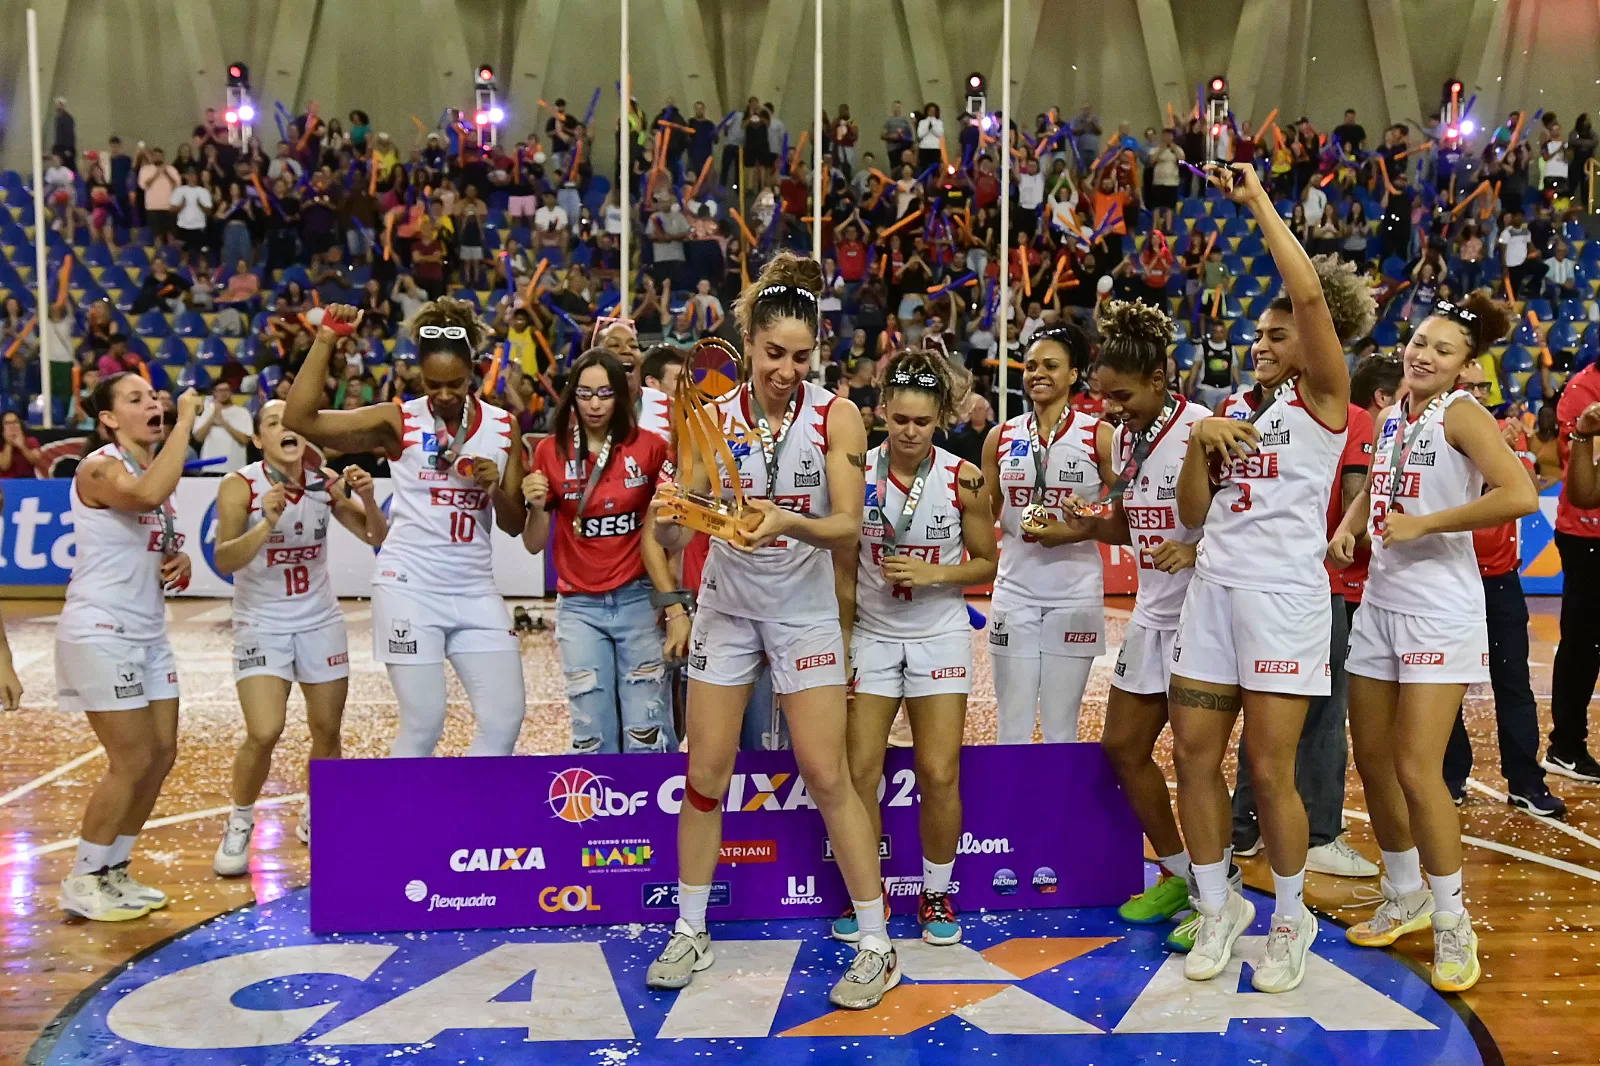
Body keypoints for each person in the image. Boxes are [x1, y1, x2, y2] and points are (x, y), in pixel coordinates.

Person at [644, 253, 895, 1010]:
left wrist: (787, 520)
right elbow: (687, 506)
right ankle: (691, 927)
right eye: (774, 353)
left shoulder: (836, 415)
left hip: (804, 613)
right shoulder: (711, 419)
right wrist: (674, 510)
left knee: (827, 776)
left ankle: (878, 943)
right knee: (704, 777)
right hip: (726, 605)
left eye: (801, 356)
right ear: (748, 342)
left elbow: (848, 524)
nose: (787, 369)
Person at [1169, 163, 1374, 995]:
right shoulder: (1239, 409)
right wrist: (1199, 440)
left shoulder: (1327, 397)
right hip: (1213, 592)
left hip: (1285, 600)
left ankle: (1290, 916)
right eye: (1258, 332)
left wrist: (1256, 204)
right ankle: (1218, 905)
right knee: (1190, 752)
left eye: (1275, 333)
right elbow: (1191, 516)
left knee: (1268, 769)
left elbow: (1314, 301)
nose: (1261, 342)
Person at [1329, 294, 1536, 994]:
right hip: (1383, 605)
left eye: (1441, 351)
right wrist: (1353, 523)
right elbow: (1382, 490)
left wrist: (1429, 525)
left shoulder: (1463, 415)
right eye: (1420, 341)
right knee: (1374, 762)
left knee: (1419, 770)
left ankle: (1454, 922)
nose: (1423, 354)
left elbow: (1520, 494)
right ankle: (1406, 892)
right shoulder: (1394, 416)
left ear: (1463, 366)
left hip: (1439, 612)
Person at [283, 301, 530, 757]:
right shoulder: (398, 420)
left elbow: (516, 526)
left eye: (455, 384)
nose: (445, 395)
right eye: (433, 385)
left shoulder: (503, 427)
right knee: (424, 721)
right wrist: (325, 340)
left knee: (504, 719)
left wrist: (495, 489)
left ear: (474, 373)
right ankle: (403, 826)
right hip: (409, 588)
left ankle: (459, 821)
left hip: (475, 589)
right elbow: (299, 421)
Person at [1056, 302, 1214, 934]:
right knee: (1122, 747)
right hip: (1152, 613)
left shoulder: (1203, 427)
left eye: (1120, 395)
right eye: (1102, 397)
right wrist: (1084, 521)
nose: (1110, 409)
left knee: (1194, 764)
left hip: (1203, 617)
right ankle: (1180, 875)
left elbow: (1239, 520)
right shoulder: (1127, 436)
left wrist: (1198, 548)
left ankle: (1213, 892)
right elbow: (1133, 519)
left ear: (1157, 379)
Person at [838, 348, 997, 947]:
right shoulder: (857, 470)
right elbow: (845, 563)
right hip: (875, 634)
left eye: (922, 422)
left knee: (938, 772)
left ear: (941, 421)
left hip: (940, 633)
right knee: (860, 772)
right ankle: (866, 896)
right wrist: (843, 637)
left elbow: (988, 560)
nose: (909, 432)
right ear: (882, 412)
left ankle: (936, 893)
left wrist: (933, 575)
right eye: (899, 419)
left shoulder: (965, 477)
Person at [211, 401, 388, 875]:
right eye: (273, 423)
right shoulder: (239, 486)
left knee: (327, 730)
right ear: (259, 440)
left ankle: (318, 811)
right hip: (261, 622)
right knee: (264, 731)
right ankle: (240, 820)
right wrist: (266, 523)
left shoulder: (323, 482)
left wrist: (367, 498)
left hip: (319, 620)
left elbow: (377, 536)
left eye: (292, 421)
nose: (286, 428)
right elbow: (225, 561)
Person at [56, 376, 202, 920]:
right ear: (109, 419)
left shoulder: (147, 469)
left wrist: (178, 560)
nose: (154, 403)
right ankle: (82, 877)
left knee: (162, 754)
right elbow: (143, 496)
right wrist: (186, 421)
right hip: (101, 628)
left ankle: (114, 869)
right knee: (132, 757)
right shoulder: (99, 466)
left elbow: (154, 527)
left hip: (147, 631)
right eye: (135, 399)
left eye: (154, 396)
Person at [522, 348, 685, 753]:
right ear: (572, 396)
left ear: (622, 396)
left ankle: (649, 816)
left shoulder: (649, 448)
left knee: (647, 733)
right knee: (591, 736)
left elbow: (669, 538)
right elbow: (533, 542)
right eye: (585, 393)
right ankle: (600, 815)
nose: (594, 404)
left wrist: (674, 605)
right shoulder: (549, 451)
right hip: (579, 608)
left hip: (638, 601)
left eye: (606, 393)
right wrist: (536, 507)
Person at [981, 323, 1116, 744]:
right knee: (1012, 727)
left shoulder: (1099, 436)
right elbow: (984, 513)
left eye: (1051, 366)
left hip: (1073, 595)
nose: (1037, 373)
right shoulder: (1000, 437)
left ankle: (1059, 812)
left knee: (1061, 728)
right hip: (1014, 593)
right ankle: (1010, 812)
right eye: (1032, 365)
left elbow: (1125, 506)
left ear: (1074, 374)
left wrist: (1080, 524)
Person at [1441, 361, 1566, 817]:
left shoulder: (1502, 436)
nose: (1477, 392)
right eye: (1468, 385)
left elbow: (1527, 492)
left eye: (1482, 385)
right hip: (1453, 575)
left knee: (1513, 683)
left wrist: (1515, 453)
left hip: (1499, 578)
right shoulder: (1443, 433)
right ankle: (1451, 776)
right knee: (1444, 682)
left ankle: (1525, 781)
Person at [1545, 357, 1600, 781]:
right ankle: (1566, 745)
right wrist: (1585, 433)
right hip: (1589, 538)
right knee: (1583, 643)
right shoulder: (1584, 392)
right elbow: (1585, 490)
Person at [195, 381, 253, 474]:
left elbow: (245, 439)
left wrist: (223, 423)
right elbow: (198, 437)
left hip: (235, 468)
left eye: (226, 390)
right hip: (209, 468)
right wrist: (212, 417)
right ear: (214, 392)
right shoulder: (205, 412)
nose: (223, 393)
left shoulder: (242, 412)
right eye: (220, 390)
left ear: (231, 392)